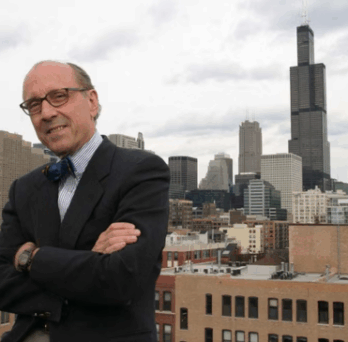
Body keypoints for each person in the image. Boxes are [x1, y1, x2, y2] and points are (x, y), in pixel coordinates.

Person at [0, 61, 170, 342]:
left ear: (91, 101)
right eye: (33, 105)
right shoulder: (24, 188)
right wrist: (88, 263)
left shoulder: (141, 170)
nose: (46, 113)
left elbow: (121, 279)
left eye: (58, 96)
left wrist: (31, 258)